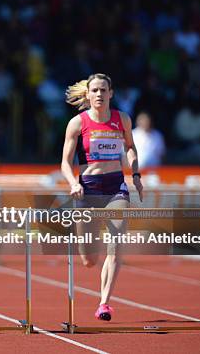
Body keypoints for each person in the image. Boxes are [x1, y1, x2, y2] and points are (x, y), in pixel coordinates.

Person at [61, 73, 143, 321]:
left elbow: (130, 146)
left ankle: (104, 303)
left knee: (116, 246)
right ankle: (89, 255)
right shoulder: (78, 123)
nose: (99, 94)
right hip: (87, 189)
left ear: (111, 93)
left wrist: (136, 174)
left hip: (115, 187)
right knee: (88, 259)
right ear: (87, 94)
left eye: (103, 90)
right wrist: (73, 182)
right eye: (94, 90)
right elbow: (65, 162)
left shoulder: (122, 119)